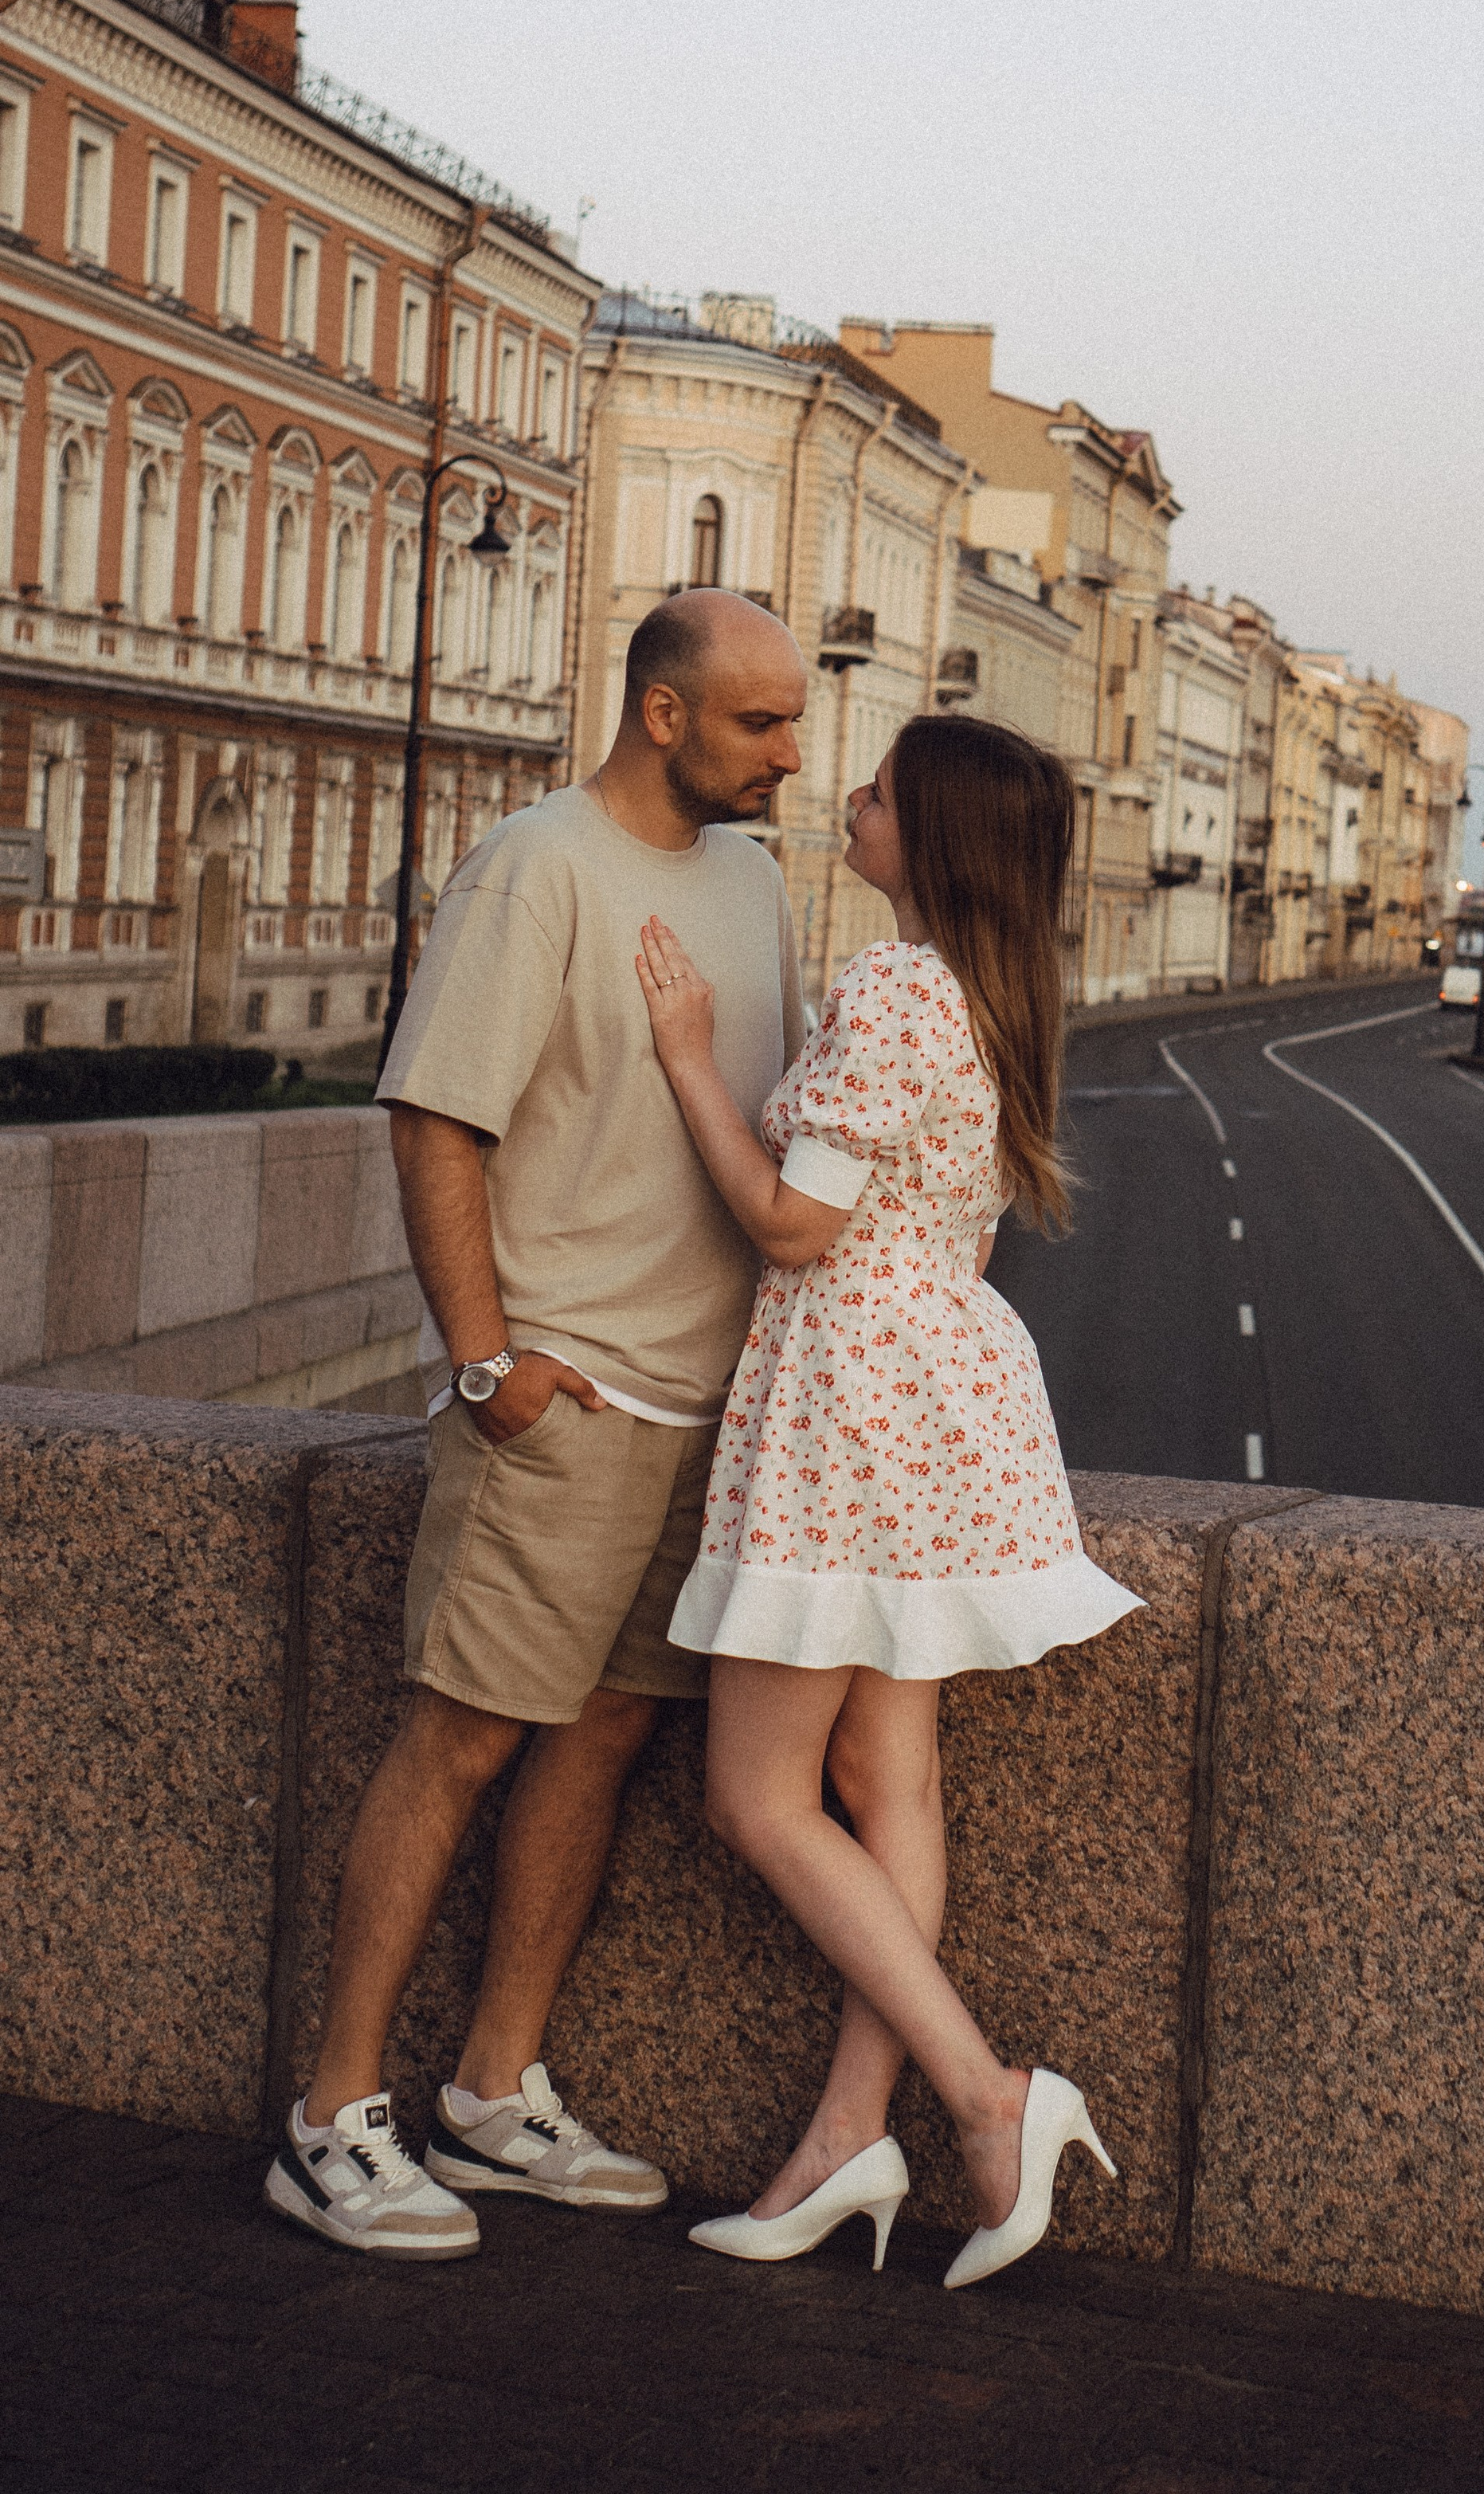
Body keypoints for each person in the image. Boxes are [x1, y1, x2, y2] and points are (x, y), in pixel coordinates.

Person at [264, 590, 809, 2259]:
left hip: (706, 1403)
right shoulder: (534, 866)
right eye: (758, 724)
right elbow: (437, 1122)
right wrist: (490, 1363)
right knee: (462, 1737)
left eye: (791, 723)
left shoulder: (754, 876)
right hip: (562, 1401)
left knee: (603, 1738)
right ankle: (330, 2118)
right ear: (662, 713)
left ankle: (494, 2095)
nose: (791, 754)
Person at [633, 712, 1141, 2291]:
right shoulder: (992, 999)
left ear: (928, 835)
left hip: (847, 1406)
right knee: (885, 1782)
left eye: (874, 790)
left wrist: (681, 1058)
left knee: (758, 1799)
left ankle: (987, 2098)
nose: (843, 798)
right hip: (941, 1400)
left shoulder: (896, 989)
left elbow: (791, 1226)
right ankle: (846, 2136)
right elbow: (954, 1234)